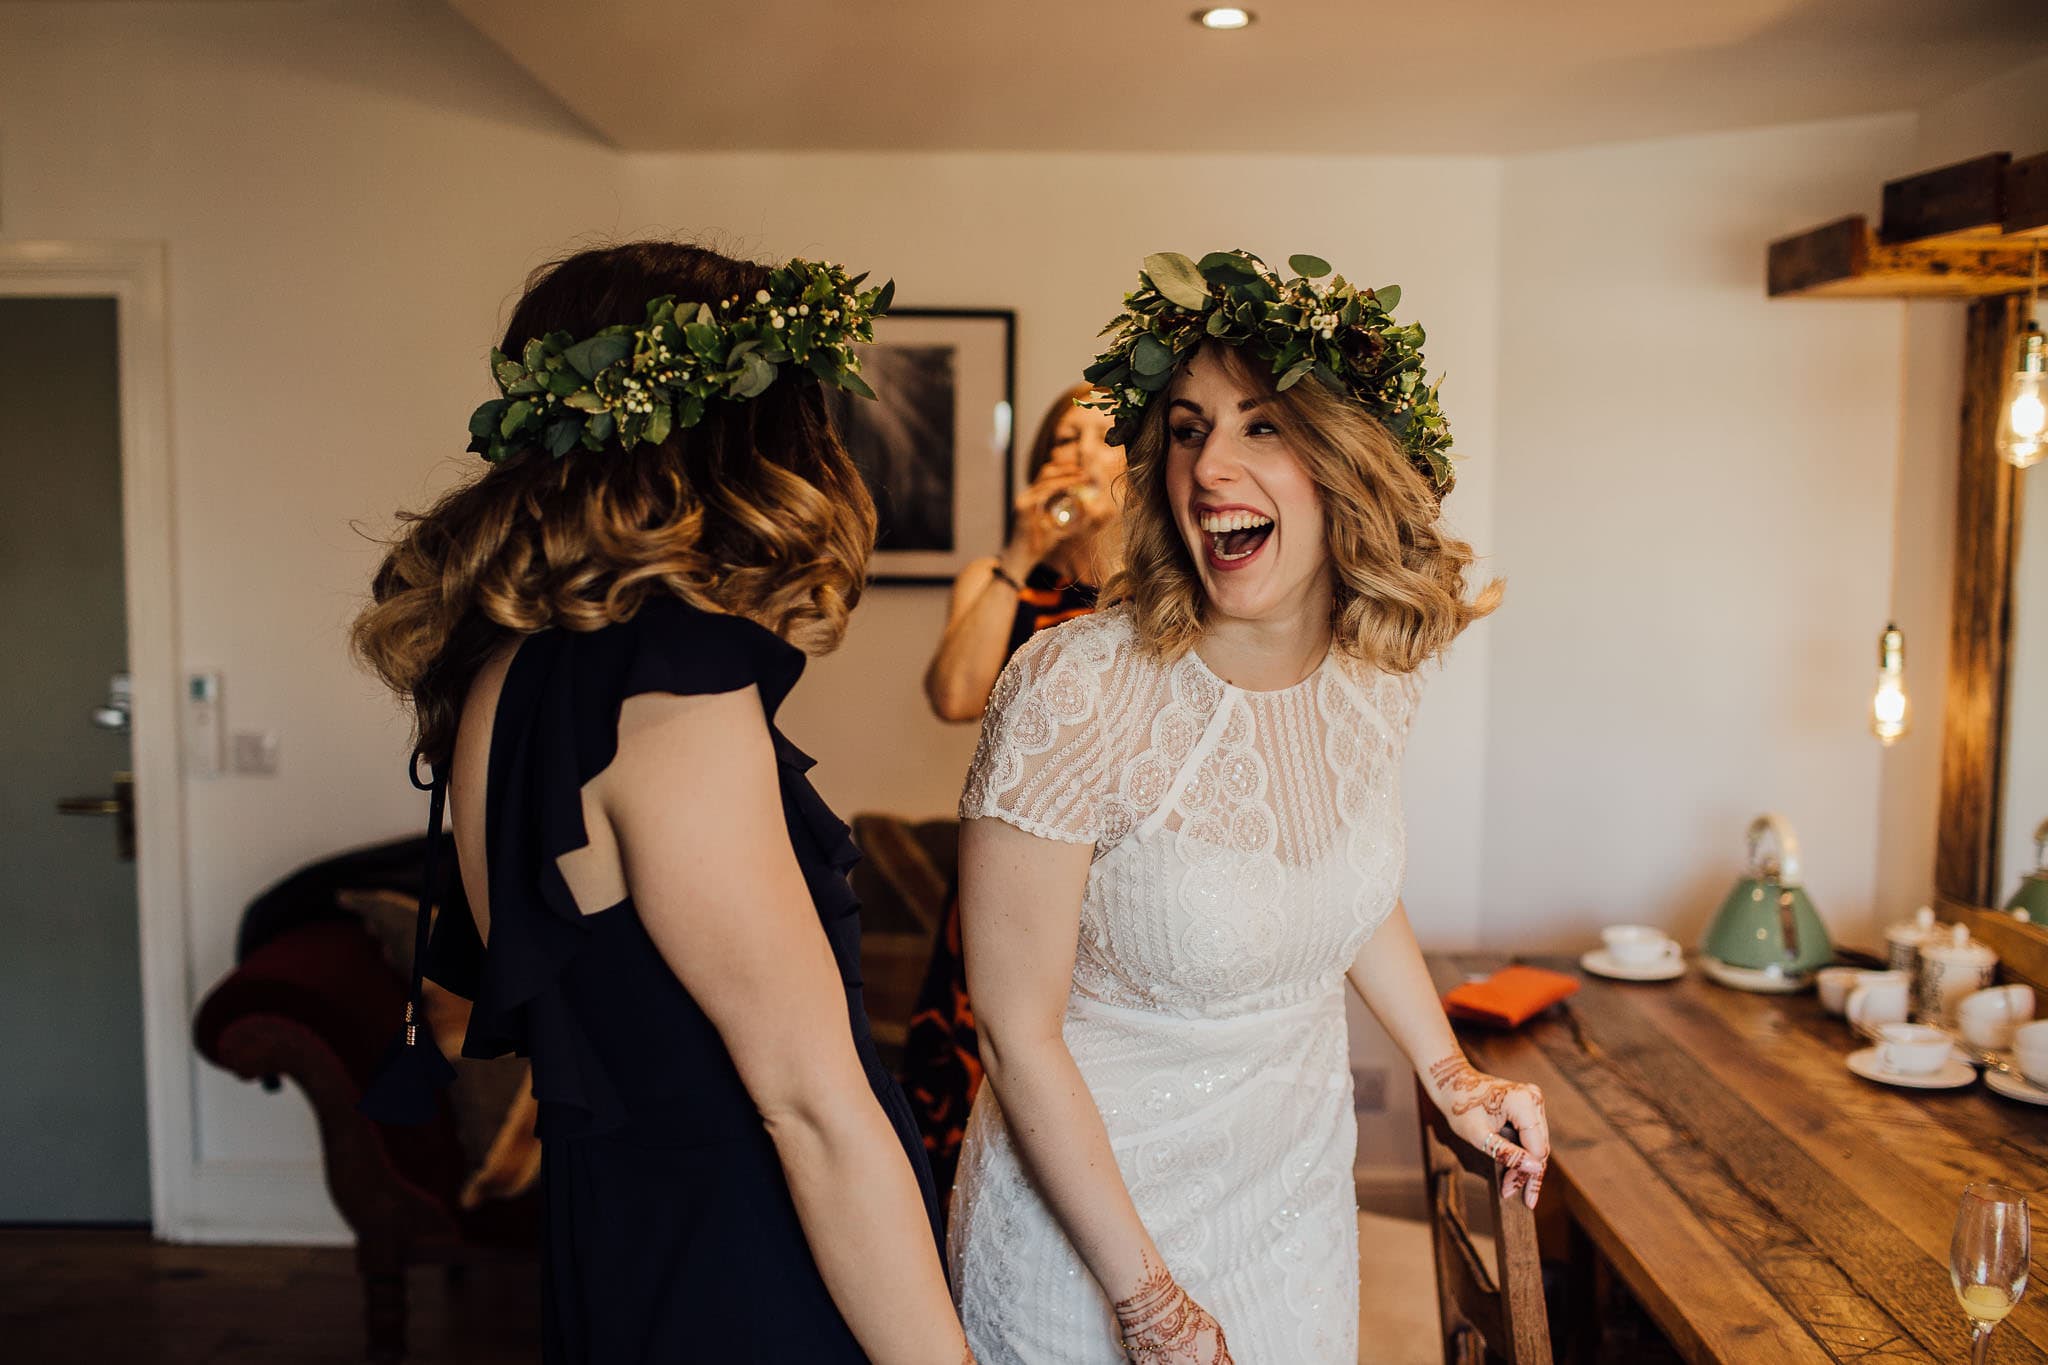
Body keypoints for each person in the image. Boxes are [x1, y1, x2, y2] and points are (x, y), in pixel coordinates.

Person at [352, 241, 971, 1365]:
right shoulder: (664, 687)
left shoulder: (504, 670)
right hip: (751, 1270)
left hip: (623, 1246)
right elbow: (811, 1109)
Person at [947, 251, 1549, 1365]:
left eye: (1260, 425)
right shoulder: (1073, 689)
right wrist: (1150, 1308)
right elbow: (1013, 1030)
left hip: (1290, 1214)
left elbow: (1334, 883)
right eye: (1184, 429)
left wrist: (1449, 1073)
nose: (1209, 465)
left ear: (1347, 463)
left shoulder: (1377, 674)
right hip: (1086, 1239)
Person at [904, 383, 1121, 1201]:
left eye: (1100, 437)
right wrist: (1018, 550)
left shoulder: (1151, 593)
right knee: (972, 1139)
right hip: (1000, 889)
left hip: (1106, 894)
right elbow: (957, 694)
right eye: (1062, 438)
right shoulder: (995, 577)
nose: (1074, 453)